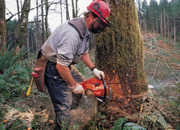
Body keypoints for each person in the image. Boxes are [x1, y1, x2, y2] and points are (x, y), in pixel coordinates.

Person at [40, 0, 110, 129]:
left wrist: (94, 69)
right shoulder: (72, 34)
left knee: (82, 86)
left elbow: (84, 53)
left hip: (62, 64)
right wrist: (73, 86)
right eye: (99, 22)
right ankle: (63, 116)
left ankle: (70, 112)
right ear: (90, 16)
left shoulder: (85, 30)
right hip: (52, 65)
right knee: (64, 104)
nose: (100, 26)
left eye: (102, 24)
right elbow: (60, 67)